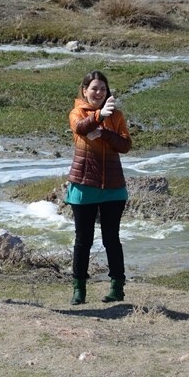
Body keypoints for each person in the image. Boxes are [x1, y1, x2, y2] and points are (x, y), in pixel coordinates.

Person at [66, 70, 132, 305]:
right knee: (83, 240)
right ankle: (79, 290)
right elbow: (81, 128)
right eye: (94, 88)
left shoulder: (117, 116)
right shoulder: (77, 112)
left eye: (103, 89)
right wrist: (98, 117)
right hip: (84, 185)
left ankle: (117, 287)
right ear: (84, 90)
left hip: (113, 187)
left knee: (111, 238)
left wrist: (104, 130)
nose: (99, 93)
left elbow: (125, 145)